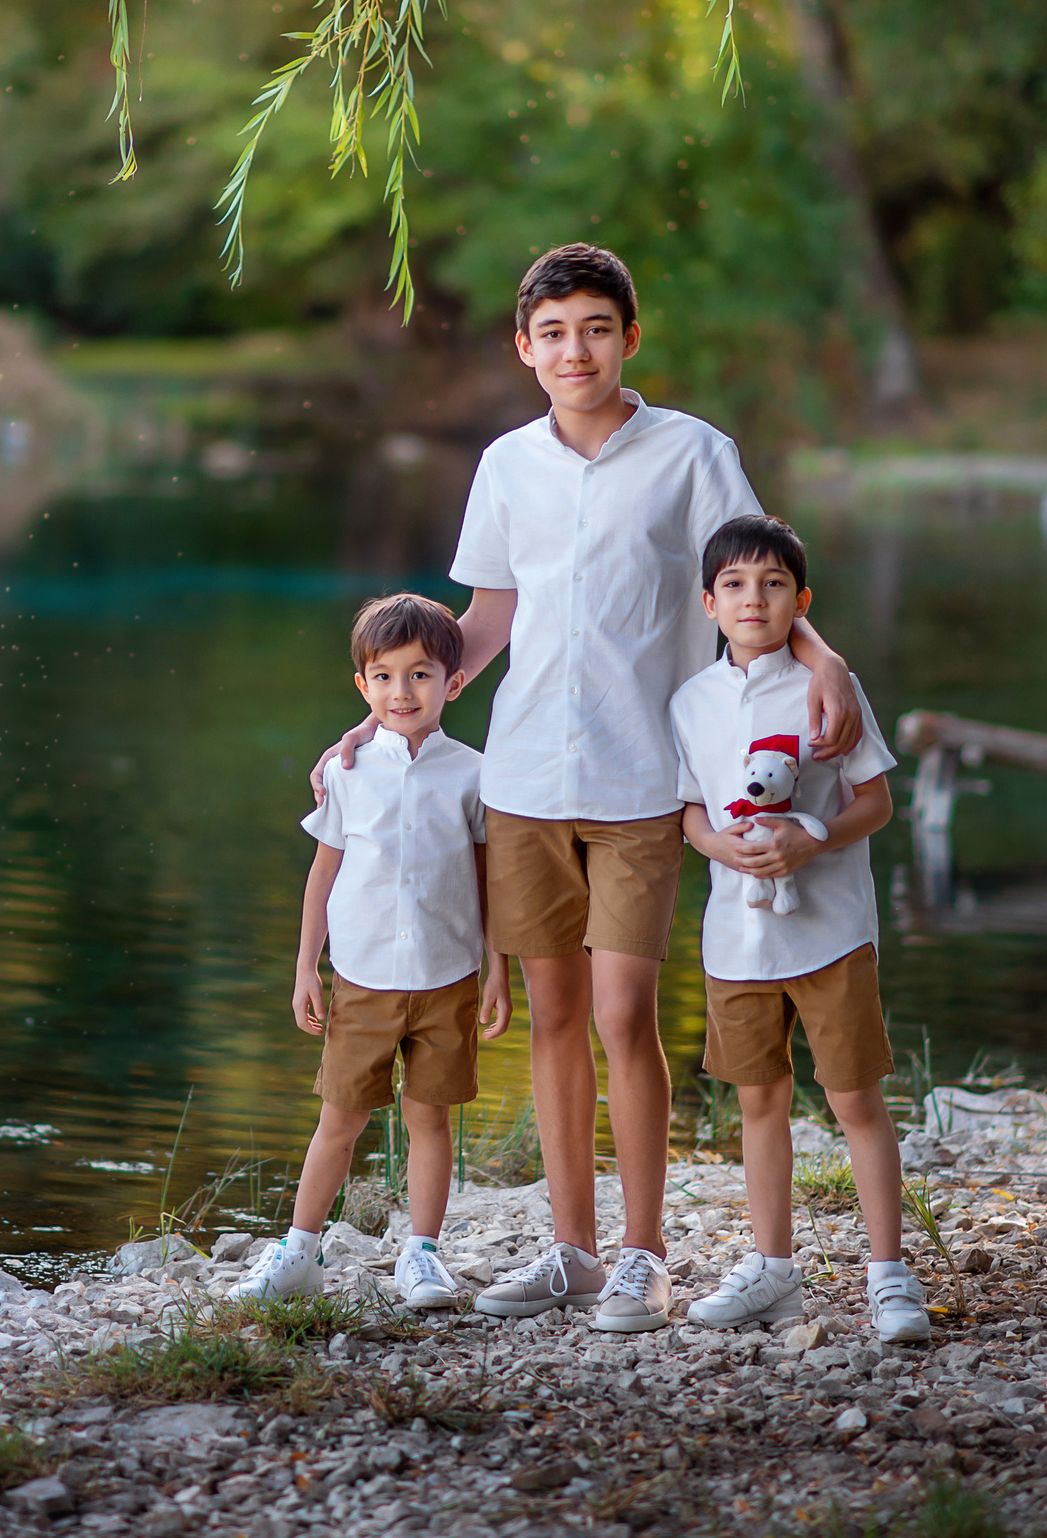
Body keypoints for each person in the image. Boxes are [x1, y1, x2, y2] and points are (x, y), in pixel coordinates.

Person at [314, 244, 863, 1334]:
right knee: (553, 1017)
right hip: (522, 779)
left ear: (629, 338)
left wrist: (822, 657)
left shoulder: (693, 454)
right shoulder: (506, 465)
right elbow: (485, 617)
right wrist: (390, 714)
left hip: (640, 778)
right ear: (524, 348)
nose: (576, 349)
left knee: (623, 1013)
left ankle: (642, 1257)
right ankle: (569, 1248)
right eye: (553, 332)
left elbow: (752, 579)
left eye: (596, 328)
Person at [669, 514, 931, 1344]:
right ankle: (772, 1270)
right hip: (736, 939)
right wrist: (717, 844)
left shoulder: (827, 691)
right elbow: (689, 810)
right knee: (759, 1100)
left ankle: (888, 1274)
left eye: (774, 584)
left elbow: (876, 802)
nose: (755, 598)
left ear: (801, 600)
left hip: (830, 932)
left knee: (853, 1094)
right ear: (708, 602)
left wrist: (807, 835)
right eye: (737, 586)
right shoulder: (690, 702)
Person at [236, 593, 514, 1309]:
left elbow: (488, 881)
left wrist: (498, 969)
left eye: (420, 675)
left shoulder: (474, 775)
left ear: (454, 682)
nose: (402, 691)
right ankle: (299, 1249)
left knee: (429, 1117)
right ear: (363, 685)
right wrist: (306, 964)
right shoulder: (348, 772)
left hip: (447, 976)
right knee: (341, 1116)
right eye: (384, 677)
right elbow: (323, 870)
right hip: (360, 978)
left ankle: (421, 1254)